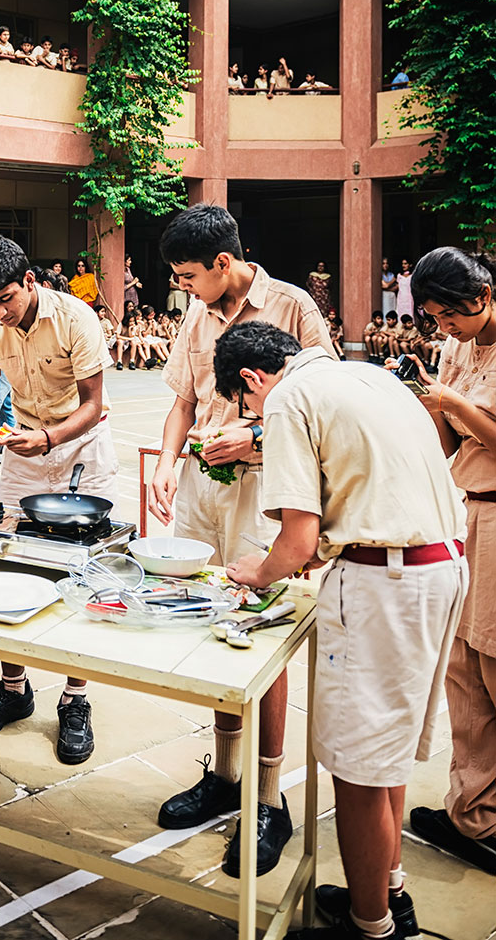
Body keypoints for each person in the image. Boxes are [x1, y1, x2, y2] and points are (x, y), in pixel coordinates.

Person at [217, 322, 467, 940]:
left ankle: (371, 925)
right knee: (388, 754)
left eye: (245, 401)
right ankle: (388, 887)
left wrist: (259, 571)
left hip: (385, 582)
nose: (253, 413)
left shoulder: (286, 401)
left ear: (252, 379)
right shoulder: (366, 374)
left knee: (356, 767)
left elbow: (297, 541)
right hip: (442, 565)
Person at [147, 204, 335, 877]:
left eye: (190, 275)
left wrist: (253, 437)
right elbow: (181, 400)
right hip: (202, 489)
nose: (184, 288)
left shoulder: (290, 308)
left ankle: (268, 797)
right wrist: (168, 464)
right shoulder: (195, 315)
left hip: (266, 489)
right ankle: (224, 775)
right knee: (210, 622)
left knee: (263, 634)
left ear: (224, 263)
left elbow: (323, 400)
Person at [0, 237, 117, 764]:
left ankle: (76, 700)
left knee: (85, 571)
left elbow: (94, 404)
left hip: (81, 446)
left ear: (30, 281)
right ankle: (13, 689)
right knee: (11, 567)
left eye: (6, 298)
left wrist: (51, 439)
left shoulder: (76, 318)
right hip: (21, 446)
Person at [405, 248, 496, 874]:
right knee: (462, 668)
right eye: (435, 319)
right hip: (468, 509)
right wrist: (423, 402)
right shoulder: (455, 347)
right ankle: (475, 815)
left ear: (483, 295)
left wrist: (452, 404)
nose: (446, 329)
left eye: (452, 316)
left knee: (492, 661)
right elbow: (445, 441)